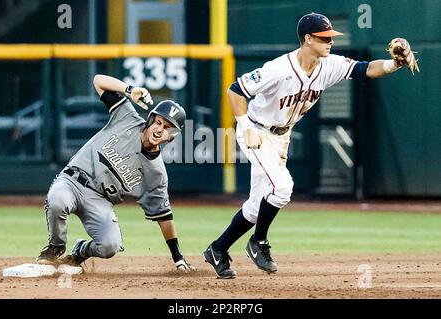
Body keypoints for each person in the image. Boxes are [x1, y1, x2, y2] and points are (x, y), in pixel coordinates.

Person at [203, 12, 418, 279]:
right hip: (257, 131)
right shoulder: (278, 69)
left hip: (281, 136)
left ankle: (218, 249)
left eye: (331, 37)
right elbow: (236, 90)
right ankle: (258, 242)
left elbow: (366, 69)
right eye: (324, 37)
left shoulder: (329, 65)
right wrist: (244, 125)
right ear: (307, 39)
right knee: (282, 188)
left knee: (258, 204)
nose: (330, 41)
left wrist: (395, 63)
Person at [37, 74, 196, 273]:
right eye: (158, 122)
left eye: (167, 128)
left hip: (100, 201)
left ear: (171, 137)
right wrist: (129, 90)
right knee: (58, 201)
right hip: (72, 181)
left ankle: (80, 251)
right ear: (150, 119)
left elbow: (164, 215)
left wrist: (177, 256)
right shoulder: (127, 117)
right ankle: (56, 247)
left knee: (110, 246)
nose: (159, 129)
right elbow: (98, 80)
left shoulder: (157, 174)